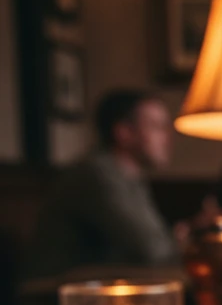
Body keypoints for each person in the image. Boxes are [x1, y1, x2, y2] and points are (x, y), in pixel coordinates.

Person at [27, 90, 179, 279]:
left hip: (96, 290)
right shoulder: (97, 175)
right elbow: (152, 250)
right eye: (157, 127)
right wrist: (184, 239)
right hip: (58, 297)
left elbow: (156, 244)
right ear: (123, 132)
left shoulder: (129, 178)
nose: (167, 138)